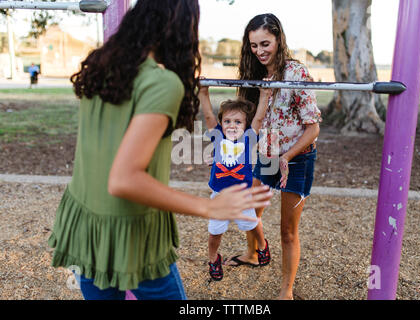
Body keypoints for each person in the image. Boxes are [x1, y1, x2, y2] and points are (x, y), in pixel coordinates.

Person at [47, 0, 272, 300]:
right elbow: (124, 179)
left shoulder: (103, 64)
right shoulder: (162, 82)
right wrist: (209, 207)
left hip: (87, 223)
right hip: (132, 229)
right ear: (181, 27)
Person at [224, 13, 322, 300]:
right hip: (268, 153)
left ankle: (286, 291)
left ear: (279, 38)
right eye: (254, 46)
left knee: (288, 232)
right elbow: (253, 122)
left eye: (265, 43)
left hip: (297, 158)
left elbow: (313, 128)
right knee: (249, 213)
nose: (260, 51)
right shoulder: (257, 74)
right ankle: (254, 252)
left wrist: (287, 156)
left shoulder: (296, 72)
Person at [198, 81, 272, 281]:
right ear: (221, 124)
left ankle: (262, 245)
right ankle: (213, 258)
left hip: (243, 194)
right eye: (228, 121)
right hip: (220, 195)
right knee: (215, 232)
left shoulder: (248, 138)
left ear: (246, 125)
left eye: (238, 122)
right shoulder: (218, 137)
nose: (232, 125)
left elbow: (259, 118)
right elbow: (208, 116)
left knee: (251, 222)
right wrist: (203, 92)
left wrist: (264, 95)